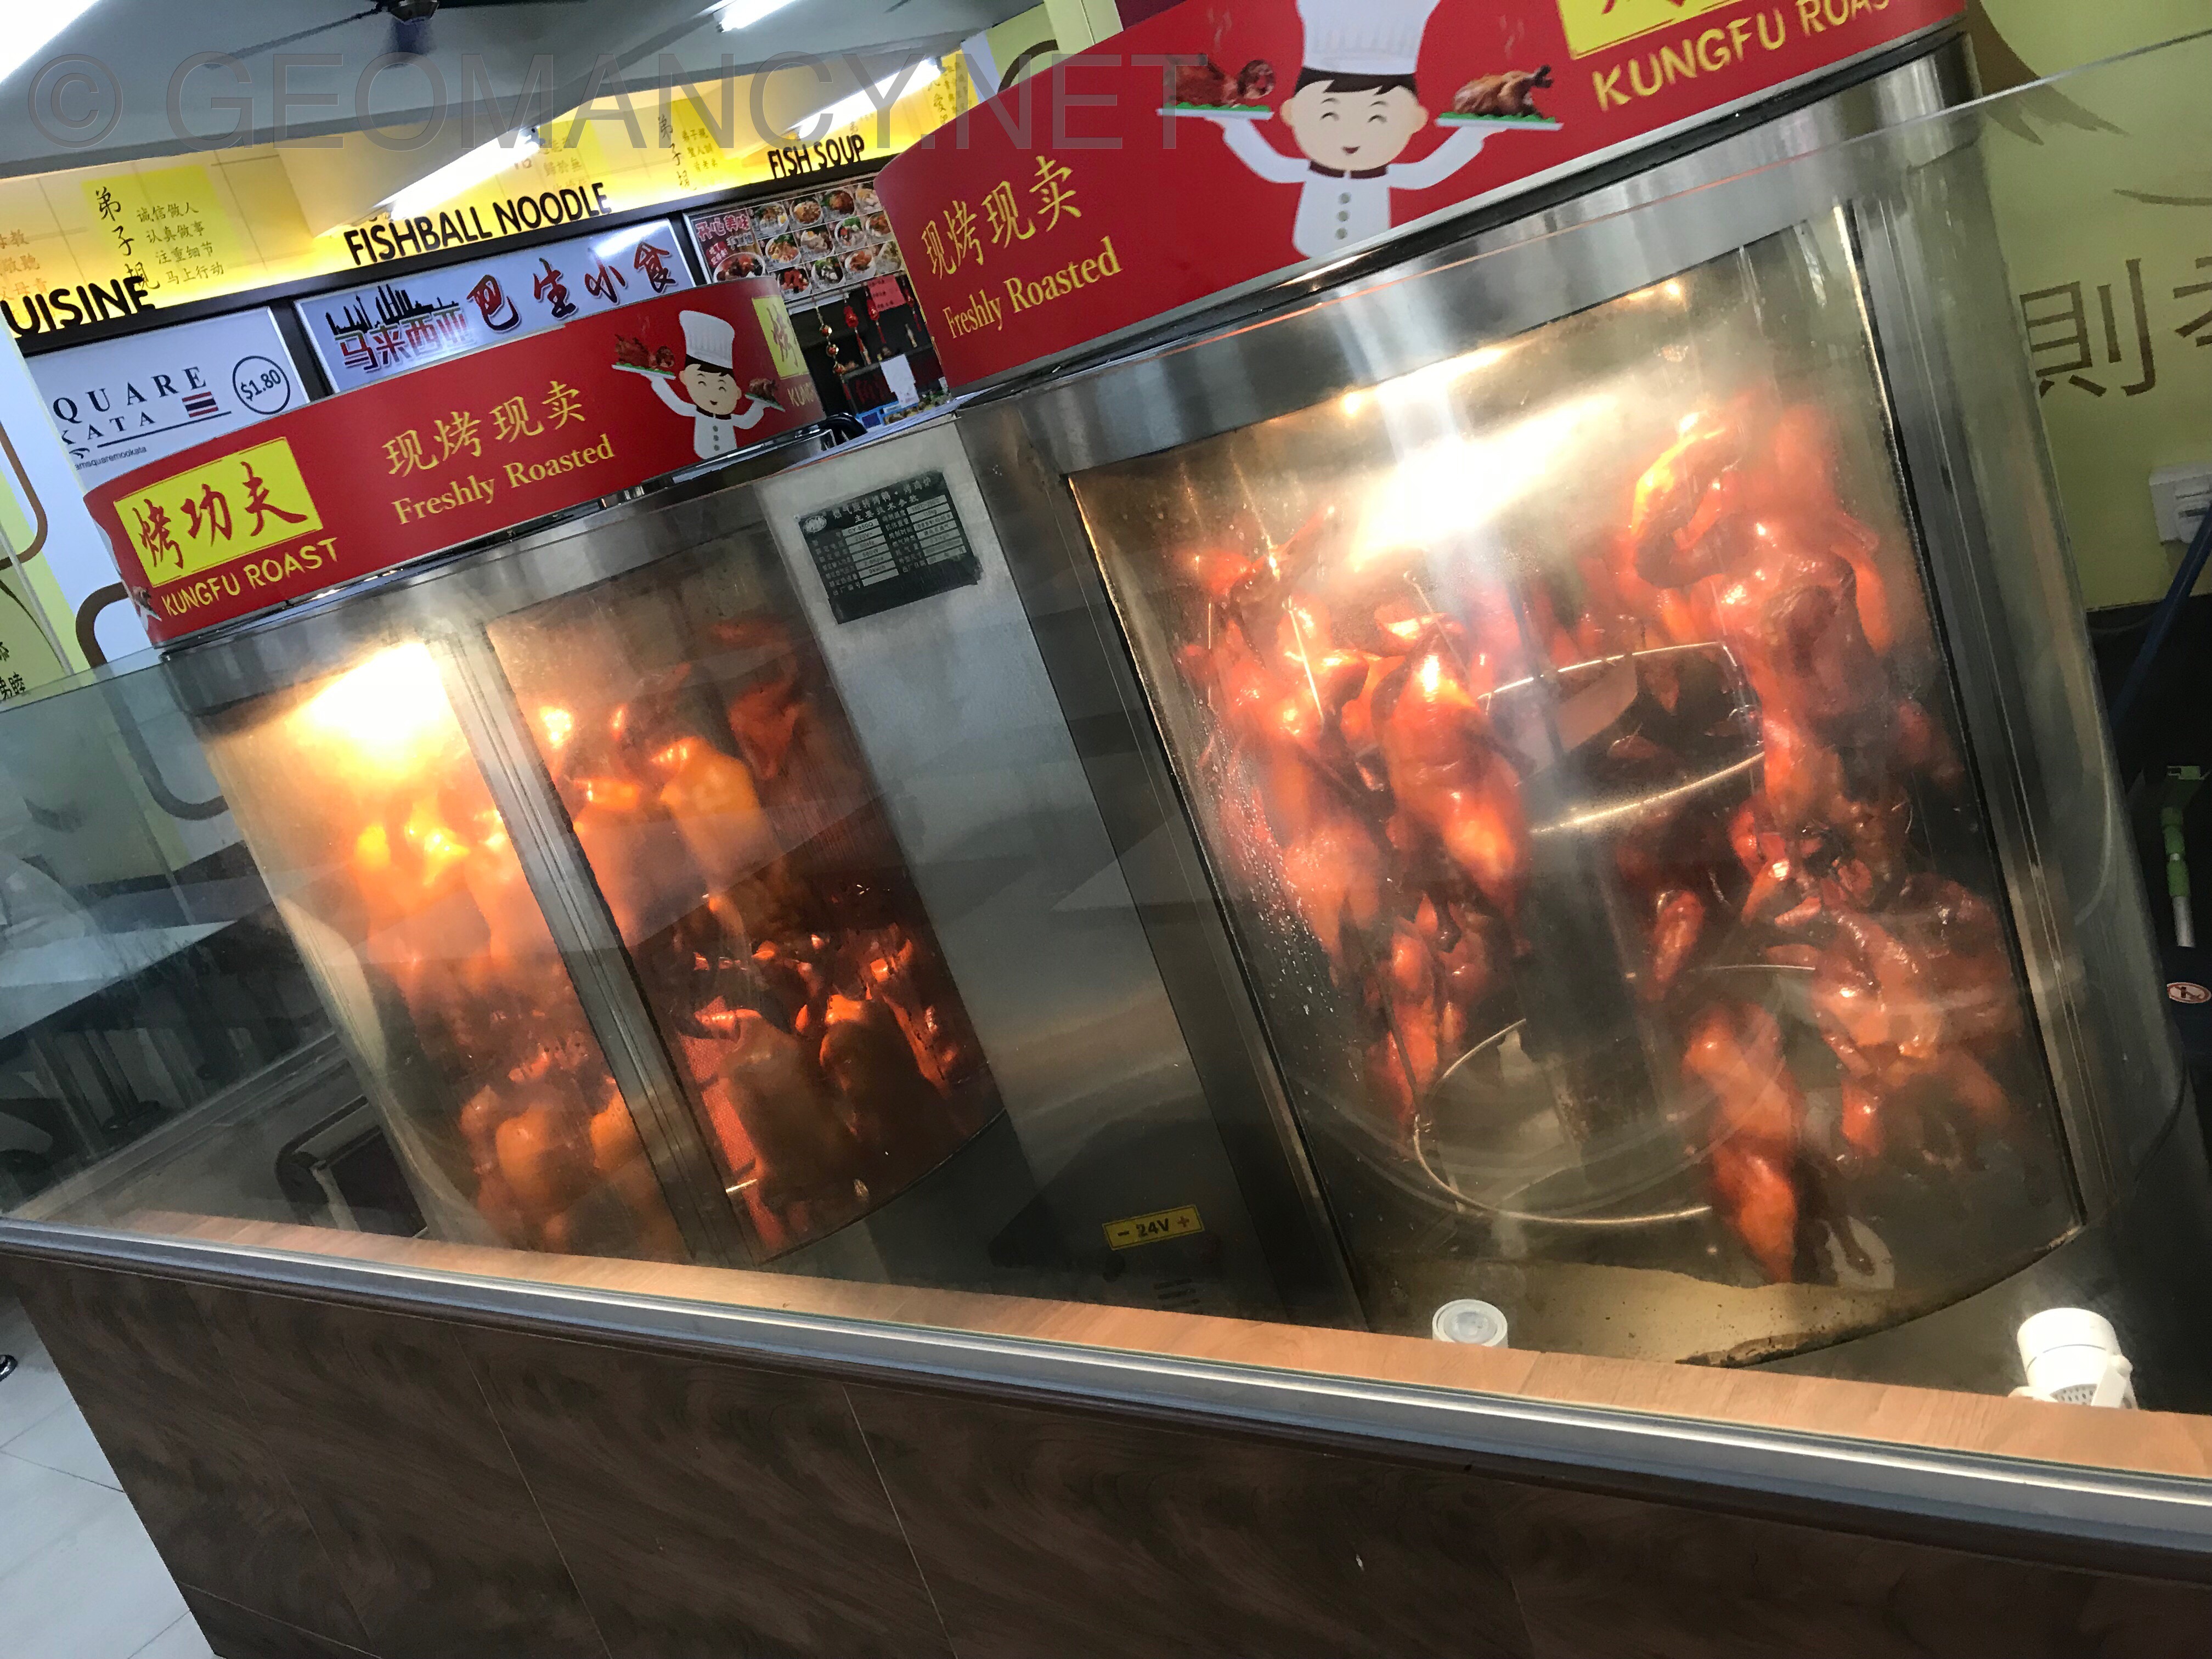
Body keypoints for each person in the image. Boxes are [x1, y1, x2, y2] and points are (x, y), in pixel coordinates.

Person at [1214, 0, 1488, 261]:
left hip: (1376, 259)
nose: (1352, 134)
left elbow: (1426, 174)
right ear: (1292, 112)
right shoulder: (1316, 171)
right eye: (1329, 114)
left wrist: (1474, 133)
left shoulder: (1382, 176)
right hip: (1306, 251)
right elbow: (1271, 167)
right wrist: (1233, 124)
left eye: (1377, 118)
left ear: (1415, 119)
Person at [647, 310, 768, 460]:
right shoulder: (698, 412)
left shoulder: (728, 418)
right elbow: (677, 405)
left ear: (737, 392)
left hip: (734, 456)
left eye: (722, 387)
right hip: (701, 457)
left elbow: (746, 422)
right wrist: (657, 380)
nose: (713, 394)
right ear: (684, 379)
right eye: (702, 382)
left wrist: (759, 405)